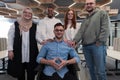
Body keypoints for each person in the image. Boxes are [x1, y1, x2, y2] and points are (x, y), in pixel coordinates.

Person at [73, 0, 110, 80]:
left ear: (95, 4)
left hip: (97, 46)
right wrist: (75, 41)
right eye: (87, 4)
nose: (89, 5)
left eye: (91, 3)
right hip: (86, 47)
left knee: (100, 71)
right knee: (91, 70)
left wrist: (100, 41)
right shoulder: (85, 19)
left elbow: (106, 29)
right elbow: (81, 32)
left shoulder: (102, 13)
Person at [7, 7, 39, 80]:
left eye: (29, 13)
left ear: (32, 15)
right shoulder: (15, 24)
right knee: (20, 74)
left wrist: (45, 41)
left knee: (31, 74)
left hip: (31, 54)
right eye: (25, 12)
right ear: (22, 13)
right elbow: (10, 37)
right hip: (19, 54)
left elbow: (39, 37)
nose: (27, 14)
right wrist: (10, 50)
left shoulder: (35, 26)